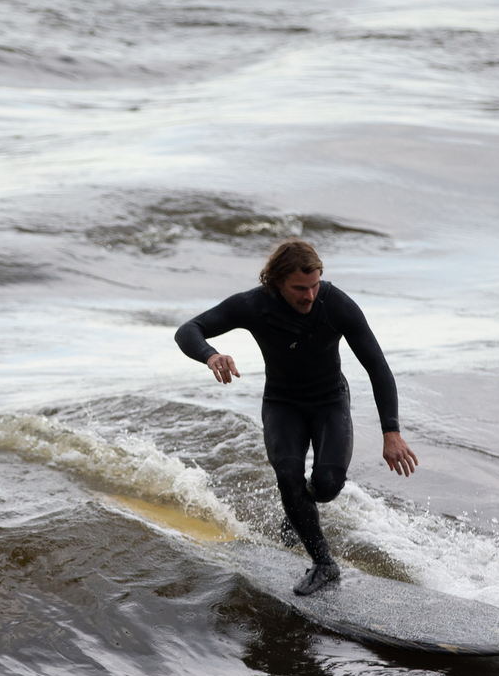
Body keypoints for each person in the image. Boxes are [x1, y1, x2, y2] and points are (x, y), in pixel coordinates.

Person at [174, 239, 418, 595]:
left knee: (328, 483)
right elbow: (188, 330)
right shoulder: (253, 304)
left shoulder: (335, 304)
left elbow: (378, 367)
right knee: (288, 474)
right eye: (300, 288)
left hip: (329, 401)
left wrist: (391, 432)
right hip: (282, 403)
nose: (309, 296)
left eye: (314, 285)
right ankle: (324, 564)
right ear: (276, 283)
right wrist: (210, 356)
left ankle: (297, 513)